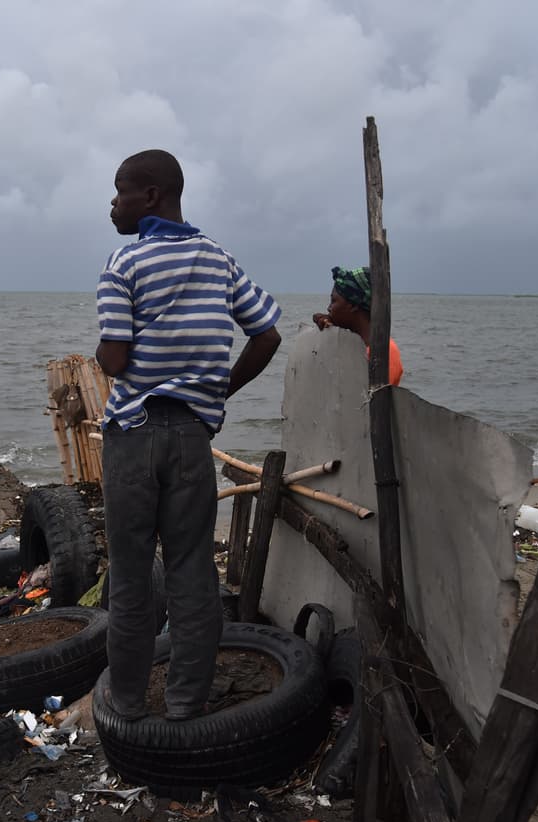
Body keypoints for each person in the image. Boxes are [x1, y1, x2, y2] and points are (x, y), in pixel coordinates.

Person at [95, 149, 282, 721]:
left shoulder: (124, 264)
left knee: (129, 578)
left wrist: (115, 349)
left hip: (132, 434)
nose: (112, 203)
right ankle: (184, 707)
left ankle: (125, 706)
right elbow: (266, 336)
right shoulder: (219, 260)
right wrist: (218, 389)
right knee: (193, 575)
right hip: (192, 439)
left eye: (119, 191)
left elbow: (113, 358)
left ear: (150, 196)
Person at [312, 265, 403, 386]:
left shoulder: (384, 352)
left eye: (334, 301)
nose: (328, 308)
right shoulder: (354, 346)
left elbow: (372, 400)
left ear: (353, 305)